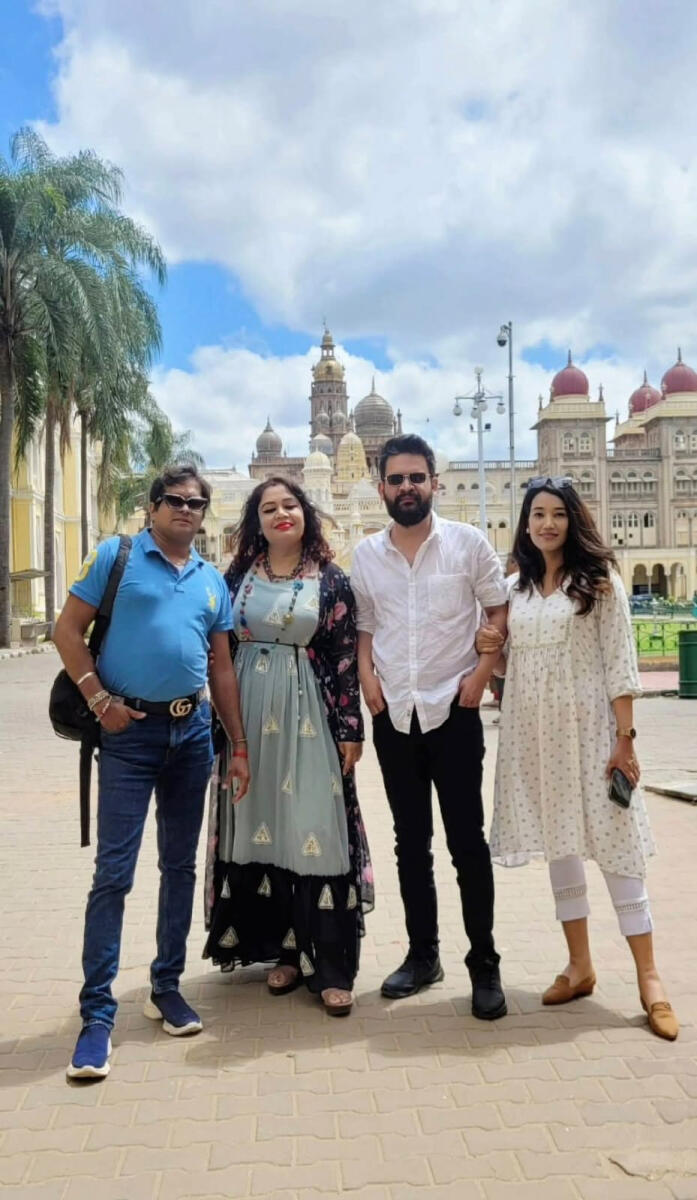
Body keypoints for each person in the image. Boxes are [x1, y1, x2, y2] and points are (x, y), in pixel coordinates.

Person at [54, 464, 250, 1079]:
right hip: (128, 735)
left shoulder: (210, 579)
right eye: (174, 500)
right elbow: (66, 631)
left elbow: (221, 668)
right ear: (152, 506)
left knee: (180, 867)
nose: (185, 509)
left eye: (196, 503)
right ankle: (97, 1014)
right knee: (114, 874)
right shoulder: (116, 558)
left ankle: (166, 986)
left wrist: (238, 743)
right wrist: (99, 700)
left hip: (191, 735)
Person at [477, 476, 678, 1040]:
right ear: (525, 523)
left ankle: (649, 977)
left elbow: (620, 664)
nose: (547, 524)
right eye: (538, 514)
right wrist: (491, 652)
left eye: (558, 514)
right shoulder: (515, 590)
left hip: (591, 735)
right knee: (562, 846)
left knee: (617, 848)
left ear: (574, 520)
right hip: (536, 738)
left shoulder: (600, 583)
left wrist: (624, 739)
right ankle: (579, 965)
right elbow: (512, 668)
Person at [351, 433, 508, 1019]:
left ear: (434, 483)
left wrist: (482, 675)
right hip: (395, 714)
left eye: (417, 477)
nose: (407, 487)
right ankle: (423, 956)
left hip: (454, 710)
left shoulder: (467, 544)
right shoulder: (367, 555)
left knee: (467, 842)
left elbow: (498, 608)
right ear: (381, 488)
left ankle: (484, 963)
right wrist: (367, 678)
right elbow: (366, 624)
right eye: (396, 479)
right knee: (410, 843)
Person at [203, 476, 373, 1016]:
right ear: (255, 521)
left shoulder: (332, 580)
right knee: (263, 823)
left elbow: (343, 657)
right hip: (247, 718)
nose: (281, 514)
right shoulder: (237, 575)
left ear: (306, 513)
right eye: (269, 507)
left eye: (290, 505)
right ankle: (284, 951)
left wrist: (350, 727)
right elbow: (216, 649)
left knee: (313, 826)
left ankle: (331, 966)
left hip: (309, 716)